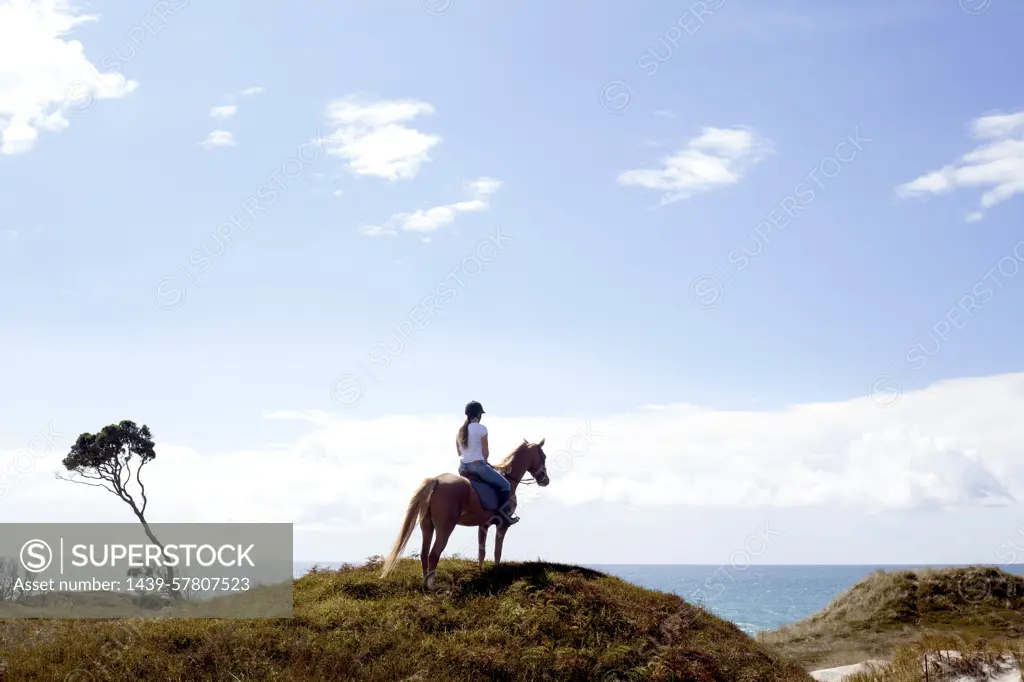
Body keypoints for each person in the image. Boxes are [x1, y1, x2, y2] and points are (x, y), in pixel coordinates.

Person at [456, 401, 519, 526]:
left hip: (462, 468)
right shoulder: (482, 428)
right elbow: (485, 452)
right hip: (478, 467)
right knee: (505, 484)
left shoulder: (460, 431)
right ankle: (504, 515)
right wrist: (485, 462)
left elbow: (459, 452)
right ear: (478, 414)